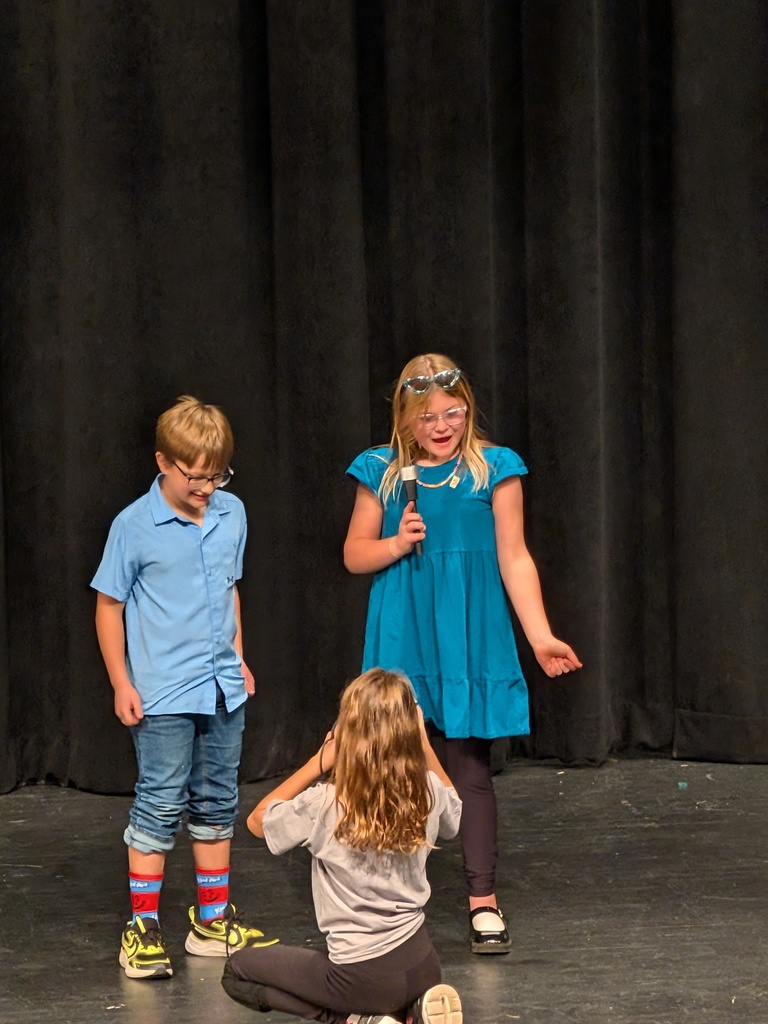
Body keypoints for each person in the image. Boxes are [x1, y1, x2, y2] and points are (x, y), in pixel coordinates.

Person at [343, 354, 582, 955]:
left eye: (453, 413)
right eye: (428, 417)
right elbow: (354, 555)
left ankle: (482, 901)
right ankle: (391, 902)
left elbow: (514, 557)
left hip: (467, 631)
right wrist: (396, 542)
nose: (443, 425)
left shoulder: (494, 469)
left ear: (467, 408)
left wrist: (540, 635)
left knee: (469, 767)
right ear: (405, 417)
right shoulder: (381, 470)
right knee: (396, 765)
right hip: (405, 631)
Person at [91, 394, 278, 980]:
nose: (206, 488)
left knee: (218, 800)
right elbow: (108, 605)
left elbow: (229, 591)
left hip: (223, 687)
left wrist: (239, 658)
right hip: (163, 691)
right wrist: (121, 681)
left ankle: (211, 921)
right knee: (161, 801)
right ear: (163, 462)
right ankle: (142, 929)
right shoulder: (133, 525)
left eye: (216, 475)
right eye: (195, 476)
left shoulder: (232, 513)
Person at [221, 667, 464, 1024]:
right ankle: (413, 1011)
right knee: (380, 985)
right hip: (423, 964)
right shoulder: (426, 790)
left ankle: (357, 1020)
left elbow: (258, 822)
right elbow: (455, 816)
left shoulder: (326, 804)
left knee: (236, 971)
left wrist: (318, 761)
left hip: (362, 980)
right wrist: (424, 744)